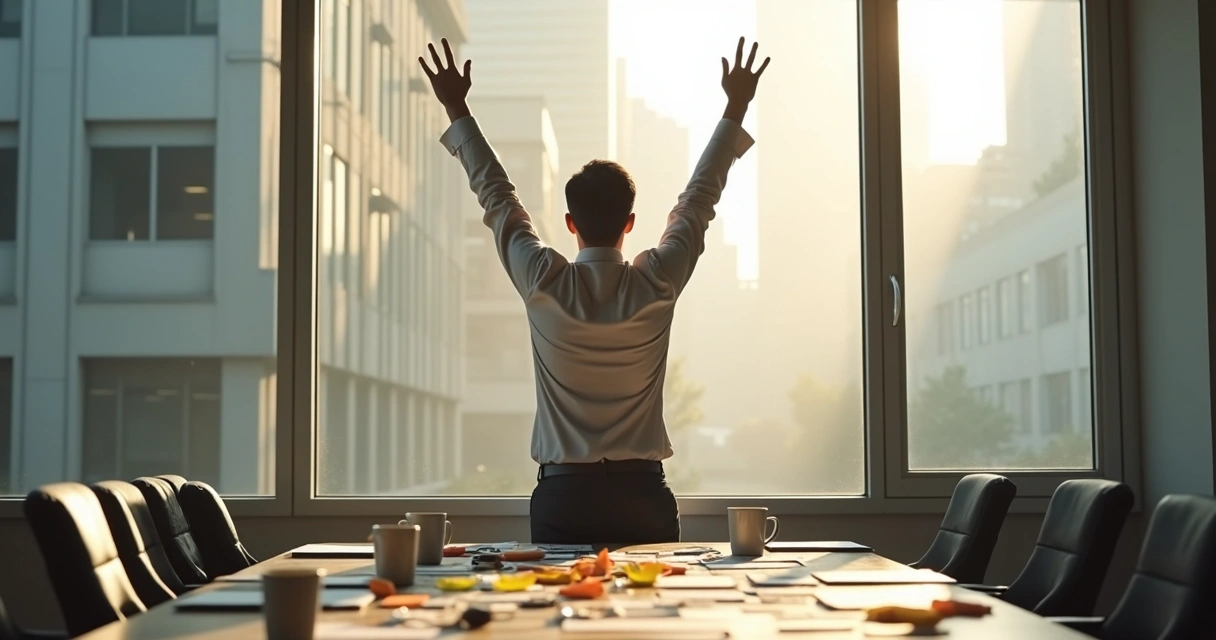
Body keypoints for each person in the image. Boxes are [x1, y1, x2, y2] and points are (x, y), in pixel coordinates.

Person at [420, 37, 769, 544]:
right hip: (643, 497)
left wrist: (456, 105)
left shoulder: (544, 281)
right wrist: (736, 105)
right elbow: (698, 201)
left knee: (558, 617)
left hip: (565, 498)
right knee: (655, 619)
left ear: (568, 223)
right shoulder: (658, 281)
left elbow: (498, 198)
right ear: (630, 222)